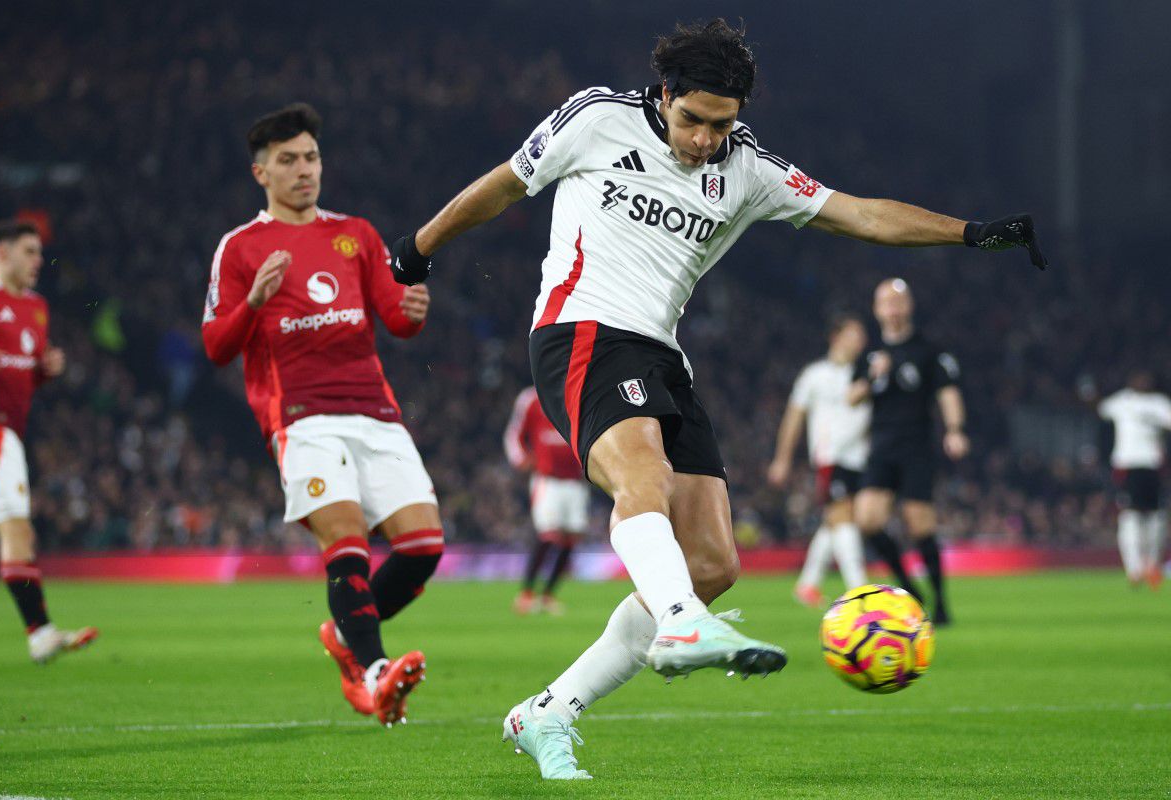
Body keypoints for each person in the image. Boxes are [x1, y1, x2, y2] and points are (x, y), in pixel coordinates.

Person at [388, 19, 1045, 779]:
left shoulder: (750, 169)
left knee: (711, 561)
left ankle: (549, 712)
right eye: (692, 118)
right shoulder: (596, 118)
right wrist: (416, 250)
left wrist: (971, 234)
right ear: (663, 95)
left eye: (721, 124)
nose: (704, 139)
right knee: (645, 481)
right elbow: (505, 184)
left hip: (665, 356)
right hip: (582, 332)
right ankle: (679, 625)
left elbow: (859, 213)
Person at [201, 103, 442, 728]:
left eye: (310, 157)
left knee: (422, 547)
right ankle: (372, 673)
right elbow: (216, 346)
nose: (304, 170)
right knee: (348, 541)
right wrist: (254, 300)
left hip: (376, 411)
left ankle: (345, 636)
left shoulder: (356, 234)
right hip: (301, 417)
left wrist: (412, 310)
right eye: (288, 161)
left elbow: (394, 318)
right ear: (262, 173)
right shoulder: (241, 248)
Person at [0, 219, 97, 663]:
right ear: (1, 254)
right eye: (28, 251)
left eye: (39, 252)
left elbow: (20, 374)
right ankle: (39, 632)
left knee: (17, 528)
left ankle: (40, 632)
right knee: (13, 526)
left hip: (5, 433)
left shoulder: (38, 309)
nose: (38, 260)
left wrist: (43, 371)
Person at [849, 279, 966, 625]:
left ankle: (941, 602)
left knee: (920, 526)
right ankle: (909, 588)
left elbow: (948, 393)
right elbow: (852, 397)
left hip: (917, 447)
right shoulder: (870, 355)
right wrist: (872, 376)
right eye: (886, 302)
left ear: (908, 306)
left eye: (898, 301)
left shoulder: (928, 350)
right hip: (882, 447)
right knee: (867, 521)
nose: (893, 308)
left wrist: (955, 430)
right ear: (877, 309)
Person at [768, 313, 870, 607]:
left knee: (835, 521)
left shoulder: (865, 374)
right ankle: (859, 591)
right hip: (831, 455)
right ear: (836, 337)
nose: (860, 341)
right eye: (854, 334)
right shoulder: (815, 375)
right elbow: (794, 417)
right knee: (842, 517)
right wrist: (782, 459)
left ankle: (808, 584)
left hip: (862, 457)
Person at [505, 385, 592, 615]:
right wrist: (521, 459)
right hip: (548, 480)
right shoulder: (531, 399)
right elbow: (514, 434)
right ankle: (526, 594)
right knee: (549, 534)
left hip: (575, 481)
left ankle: (548, 595)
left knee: (571, 538)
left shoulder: (578, 394)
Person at [1098, 371, 1171, 588]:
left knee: (1156, 516)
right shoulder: (1122, 401)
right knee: (1130, 516)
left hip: (1152, 464)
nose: (1142, 380)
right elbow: (1099, 408)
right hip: (1128, 465)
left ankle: (1151, 564)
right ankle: (1134, 568)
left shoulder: (1159, 403)